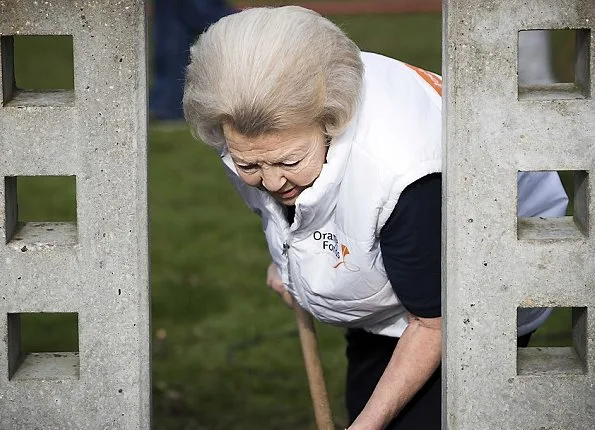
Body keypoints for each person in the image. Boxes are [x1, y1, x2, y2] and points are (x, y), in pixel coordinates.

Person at [183, 6, 568, 429]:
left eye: (289, 161)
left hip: (471, 290)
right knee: (367, 396)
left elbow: (436, 323)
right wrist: (289, 260)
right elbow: (308, 201)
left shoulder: (407, 176)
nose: (272, 183)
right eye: (249, 165)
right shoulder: (256, 119)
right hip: (388, 280)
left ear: (331, 120)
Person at [149, 0, 234, 121]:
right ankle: (167, 108)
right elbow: (198, 13)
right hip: (178, 41)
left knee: (168, 67)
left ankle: (163, 107)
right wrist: (234, 17)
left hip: (170, 35)